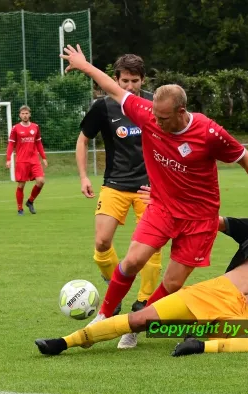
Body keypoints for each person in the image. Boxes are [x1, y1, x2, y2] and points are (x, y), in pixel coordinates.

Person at [59, 44, 248, 349]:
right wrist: (84, 65)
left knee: (174, 283)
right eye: (155, 116)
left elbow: (247, 159)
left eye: (164, 118)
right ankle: (104, 315)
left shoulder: (208, 132)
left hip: (199, 218)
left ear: (181, 112)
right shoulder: (148, 114)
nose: (157, 123)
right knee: (133, 260)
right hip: (162, 207)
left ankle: (136, 325)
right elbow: (112, 87)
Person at [35, 195, 248, 356]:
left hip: (239, 315)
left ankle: (199, 346)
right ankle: (63, 342)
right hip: (213, 292)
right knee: (141, 320)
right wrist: (169, 201)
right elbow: (213, 221)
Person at [76, 54, 162, 323]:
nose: (129, 87)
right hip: (114, 183)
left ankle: (143, 301)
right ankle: (117, 288)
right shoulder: (103, 106)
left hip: (149, 187)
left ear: (143, 80)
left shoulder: (155, 103)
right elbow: (82, 139)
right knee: (102, 243)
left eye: (134, 81)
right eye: (124, 80)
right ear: (115, 80)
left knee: (152, 247)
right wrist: (83, 177)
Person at [6, 105, 48, 215]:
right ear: (20, 115)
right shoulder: (15, 128)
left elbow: (38, 143)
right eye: (23, 113)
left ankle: (30, 201)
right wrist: (8, 159)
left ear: (30, 114)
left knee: (41, 181)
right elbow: (11, 144)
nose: (25, 115)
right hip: (22, 160)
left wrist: (43, 157)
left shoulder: (35, 127)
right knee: (21, 185)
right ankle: (20, 208)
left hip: (34, 160)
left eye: (26, 113)